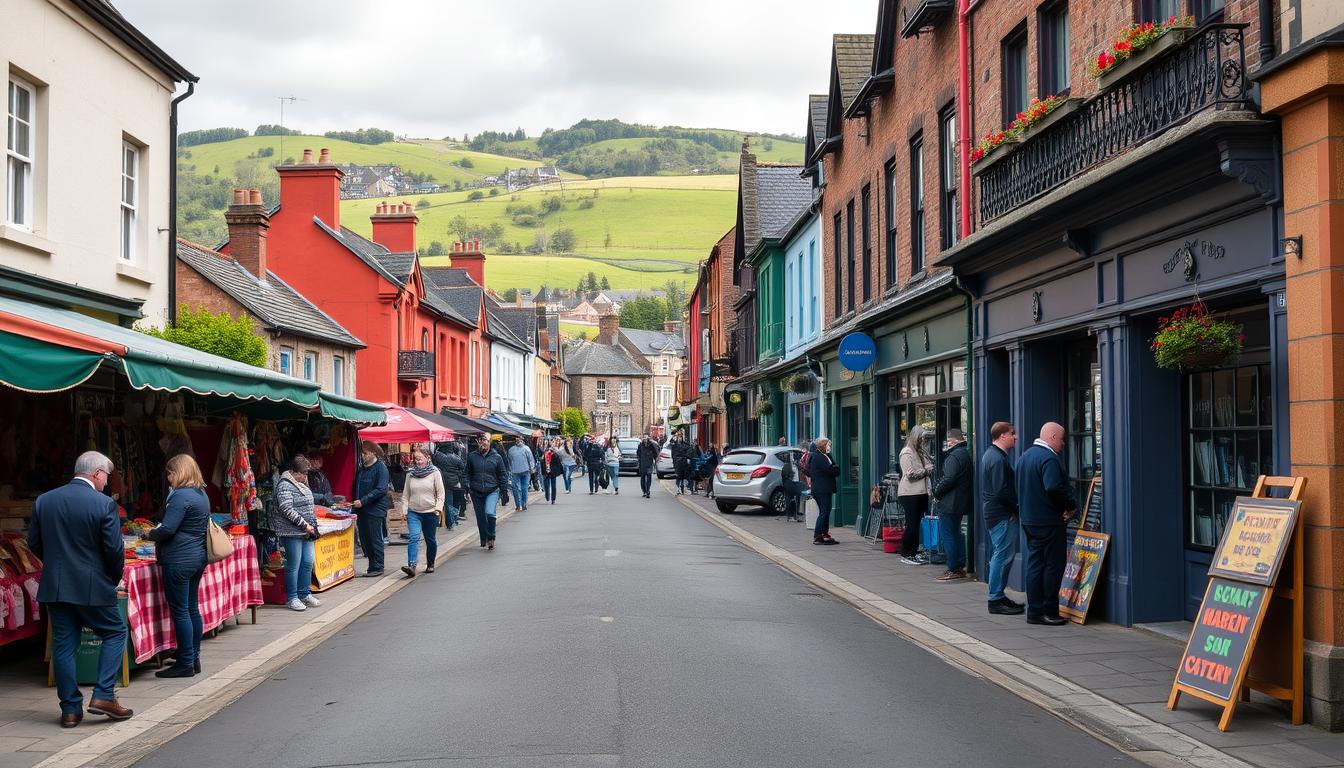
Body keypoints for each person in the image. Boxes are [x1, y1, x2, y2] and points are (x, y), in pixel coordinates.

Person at [29, 451, 133, 727]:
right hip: (92, 585)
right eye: (106, 477)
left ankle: (71, 710)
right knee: (115, 631)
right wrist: (111, 579)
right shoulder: (102, 504)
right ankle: (103, 695)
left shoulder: (45, 501)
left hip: (57, 585)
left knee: (63, 645)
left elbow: (35, 543)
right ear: (97, 473)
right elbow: (114, 550)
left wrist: (56, 565)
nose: (107, 482)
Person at [145, 454, 209, 677]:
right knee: (192, 608)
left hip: (179, 559)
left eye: (170, 473)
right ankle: (194, 657)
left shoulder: (180, 496)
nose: (169, 478)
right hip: (197, 557)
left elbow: (167, 529)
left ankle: (184, 663)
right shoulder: (201, 494)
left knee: (181, 611)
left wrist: (149, 534)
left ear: (178, 472)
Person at [1016, 422, 1077, 626]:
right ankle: (1049, 610)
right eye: (1061, 439)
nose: (1063, 443)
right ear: (1051, 437)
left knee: (1035, 565)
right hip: (1049, 521)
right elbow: (1053, 487)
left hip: (1029, 519)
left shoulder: (1025, 456)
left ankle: (1034, 611)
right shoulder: (1049, 458)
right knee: (1053, 566)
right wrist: (1069, 506)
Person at [981, 421, 1023, 615]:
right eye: (1012, 433)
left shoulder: (992, 455)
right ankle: (995, 599)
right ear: (1002, 436)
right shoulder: (997, 459)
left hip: (996, 513)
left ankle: (999, 596)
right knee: (1002, 556)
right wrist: (1015, 509)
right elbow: (1000, 491)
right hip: (1002, 515)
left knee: (1002, 555)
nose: (1015, 436)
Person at [274, 455, 320, 611]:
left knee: (308, 562)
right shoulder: (285, 485)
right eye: (303, 473)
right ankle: (292, 597)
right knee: (293, 564)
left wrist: (311, 525)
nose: (305, 476)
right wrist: (304, 524)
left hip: (306, 531)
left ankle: (304, 593)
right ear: (294, 472)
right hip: (292, 531)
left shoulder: (302, 483)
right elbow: (287, 509)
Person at [931, 428, 972, 582]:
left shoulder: (955, 456)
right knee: (956, 534)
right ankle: (959, 565)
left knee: (948, 535)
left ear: (953, 440)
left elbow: (949, 479)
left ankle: (953, 568)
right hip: (958, 502)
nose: (946, 443)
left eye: (948, 440)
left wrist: (936, 492)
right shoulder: (964, 454)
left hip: (950, 503)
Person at [400, 445, 445, 577]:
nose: (418, 462)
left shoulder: (435, 473)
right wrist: (404, 509)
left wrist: (437, 509)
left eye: (420, 459)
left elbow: (441, 494)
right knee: (414, 536)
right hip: (414, 512)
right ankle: (412, 565)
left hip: (430, 512)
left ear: (427, 458)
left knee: (430, 539)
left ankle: (430, 563)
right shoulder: (410, 474)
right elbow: (405, 494)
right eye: (416, 459)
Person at [897, 425, 935, 565]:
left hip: (921, 492)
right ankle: (906, 553)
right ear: (916, 438)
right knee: (912, 524)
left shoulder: (919, 452)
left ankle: (914, 552)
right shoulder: (906, 452)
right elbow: (910, 473)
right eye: (921, 438)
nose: (923, 441)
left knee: (918, 524)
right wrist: (926, 470)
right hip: (909, 493)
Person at [466, 434, 511, 549]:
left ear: (489, 442)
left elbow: (502, 474)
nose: (483, 443)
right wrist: (467, 487)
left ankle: (491, 537)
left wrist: (504, 491)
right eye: (481, 440)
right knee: (481, 517)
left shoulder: (497, 457)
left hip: (492, 489)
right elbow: (467, 473)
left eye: (485, 440)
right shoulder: (472, 456)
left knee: (490, 513)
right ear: (477, 442)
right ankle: (483, 539)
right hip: (476, 491)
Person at [352, 441, 389, 576]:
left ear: (373, 453)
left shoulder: (381, 468)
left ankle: (378, 566)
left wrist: (363, 501)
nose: (363, 456)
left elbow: (381, 489)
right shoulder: (362, 469)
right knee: (365, 539)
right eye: (362, 453)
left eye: (365, 453)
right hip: (362, 510)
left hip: (375, 509)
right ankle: (371, 565)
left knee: (375, 538)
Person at [806, 439, 840, 544]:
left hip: (823, 488)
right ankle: (817, 535)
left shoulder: (824, 456)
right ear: (823, 446)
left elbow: (833, 468)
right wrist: (835, 468)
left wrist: (833, 465)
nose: (830, 447)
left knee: (825, 511)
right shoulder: (819, 457)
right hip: (822, 489)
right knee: (824, 512)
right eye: (828, 445)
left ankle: (824, 534)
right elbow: (832, 470)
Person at [431, 442, 464, 531]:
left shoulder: (437, 456)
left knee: (447, 503)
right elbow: (462, 468)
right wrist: (457, 475)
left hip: (442, 482)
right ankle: (453, 520)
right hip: (455, 483)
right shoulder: (456, 458)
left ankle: (449, 522)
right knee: (455, 503)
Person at [506, 436, 534, 511]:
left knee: (516, 488)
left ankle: (518, 505)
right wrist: (531, 468)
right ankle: (523, 504)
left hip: (515, 471)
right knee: (524, 488)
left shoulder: (511, 449)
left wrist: (510, 469)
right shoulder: (526, 448)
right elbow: (531, 459)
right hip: (525, 470)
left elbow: (509, 460)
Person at [780, 446, 803, 521]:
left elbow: (801, 470)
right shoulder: (786, 466)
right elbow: (784, 477)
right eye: (791, 455)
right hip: (790, 484)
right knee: (790, 499)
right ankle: (790, 515)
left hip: (796, 483)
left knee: (796, 498)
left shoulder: (796, 465)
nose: (793, 458)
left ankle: (795, 514)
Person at [541, 438, 565, 504]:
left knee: (551, 485)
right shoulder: (545, 452)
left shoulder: (553, 453)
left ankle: (551, 498)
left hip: (550, 471)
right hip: (548, 471)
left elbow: (558, 462)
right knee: (549, 485)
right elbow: (542, 462)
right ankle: (550, 497)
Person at [636, 434, 659, 498]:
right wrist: (639, 460)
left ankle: (648, 491)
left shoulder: (651, 444)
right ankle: (644, 491)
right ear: (642, 438)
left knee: (649, 477)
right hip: (642, 463)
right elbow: (638, 454)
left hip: (649, 463)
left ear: (648, 437)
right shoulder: (640, 445)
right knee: (642, 478)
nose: (645, 438)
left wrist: (655, 459)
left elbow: (656, 452)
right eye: (644, 437)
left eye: (646, 437)